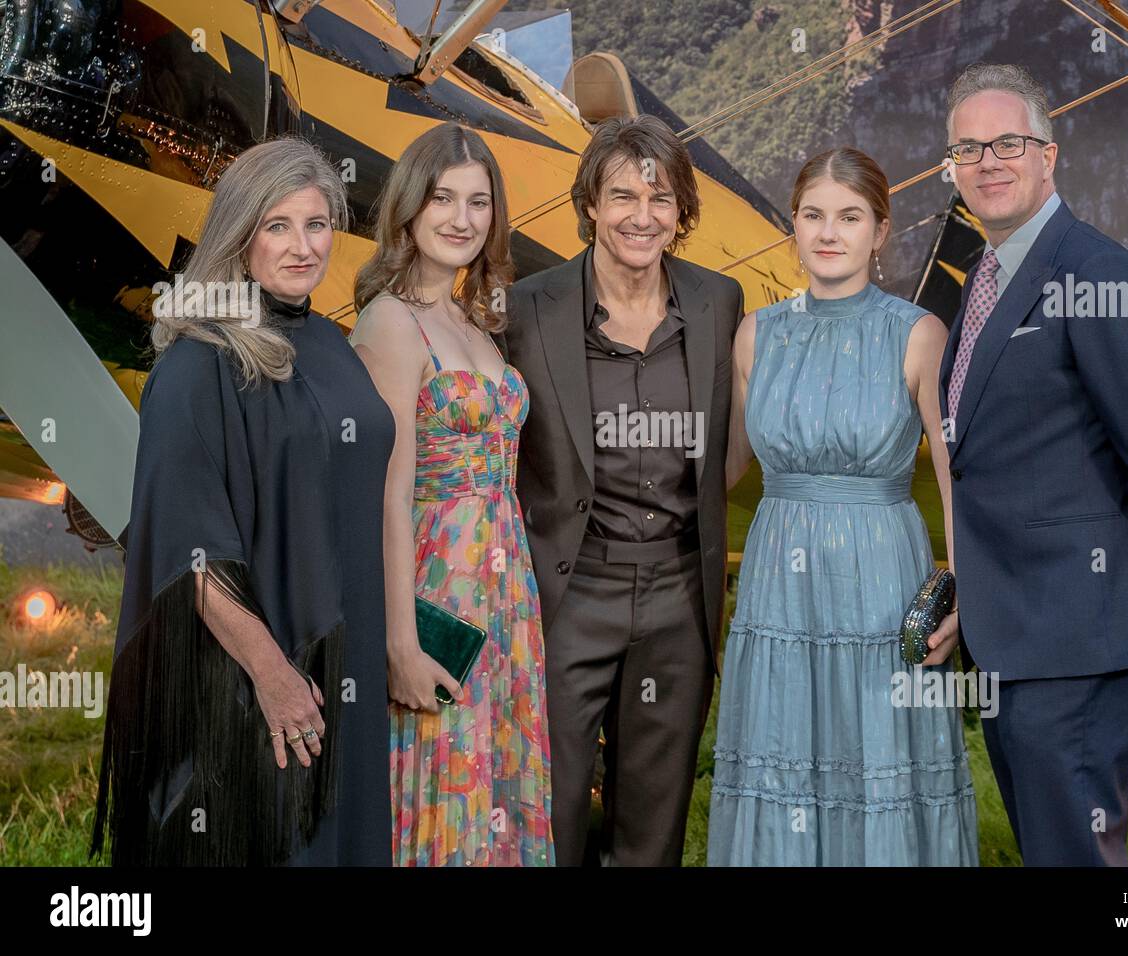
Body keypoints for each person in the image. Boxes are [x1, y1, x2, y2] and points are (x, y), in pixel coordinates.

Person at [92, 137, 395, 865]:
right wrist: (274, 675)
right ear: (240, 234)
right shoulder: (199, 360)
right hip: (262, 675)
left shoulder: (330, 342)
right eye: (277, 226)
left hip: (347, 663)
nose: (302, 247)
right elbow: (184, 549)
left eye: (317, 224)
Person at [939, 63, 1128, 865]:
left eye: (1008, 142)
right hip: (1016, 633)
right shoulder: (986, 276)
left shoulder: (1100, 275)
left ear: (1049, 154)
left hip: (1078, 636)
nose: (988, 161)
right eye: (968, 147)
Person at [709, 147, 979, 866]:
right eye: (813, 215)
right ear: (793, 226)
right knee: (784, 746)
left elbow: (957, 479)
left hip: (881, 578)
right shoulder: (756, 334)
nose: (830, 233)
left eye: (850, 217)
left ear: (880, 231)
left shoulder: (919, 333)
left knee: (877, 748)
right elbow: (727, 465)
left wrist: (966, 597)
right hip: (778, 584)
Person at [502, 115, 743, 866]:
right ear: (591, 206)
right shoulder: (527, 310)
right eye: (623, 196)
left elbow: (726, 453)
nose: (643, 216)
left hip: (678, 593)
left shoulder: (718, 303)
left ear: (681, 215)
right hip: (570, 588)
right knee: (553, 802)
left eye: (661, 198)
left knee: (653, 818)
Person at [351, 123, 553, 866]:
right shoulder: (391, 322)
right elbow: (385, 491)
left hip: (506, 595)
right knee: (444, 783)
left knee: (497, 784)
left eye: (478, 202)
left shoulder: (473, 321)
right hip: (438, 593)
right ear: (409, 205)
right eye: (443, 198)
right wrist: (401, 644)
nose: (462, 219)